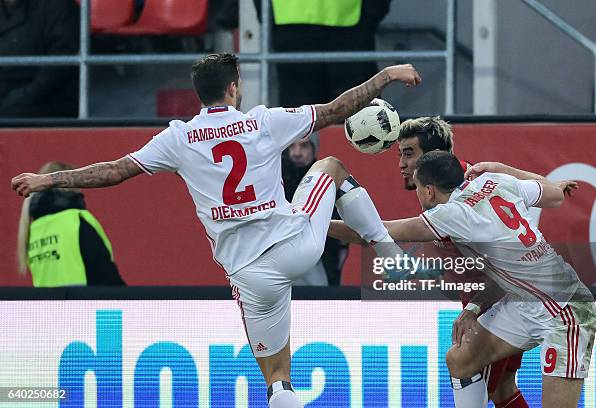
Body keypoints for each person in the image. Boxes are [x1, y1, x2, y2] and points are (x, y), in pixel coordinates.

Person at [11, 53, 421, 407]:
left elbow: (115, 172)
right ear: (234, 87)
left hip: (249, 276)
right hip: (295, 245)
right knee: (330, 166)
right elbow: (336, 109)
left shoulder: (180, 137)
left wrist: (48, 181)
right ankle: (391, 256)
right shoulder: (263, 122)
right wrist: (386, 76)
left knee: (277, 378)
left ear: (199, 94)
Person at [330, 151, 594, 408]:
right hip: (523, 303)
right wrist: (500, 167)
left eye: (418, 187)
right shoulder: (495, 181)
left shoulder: (451, 215)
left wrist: (318, 224)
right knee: (460, 359)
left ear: (429, 191)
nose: (418, 193)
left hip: (565, 312)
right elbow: (555, 194)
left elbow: (377, 231)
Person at [397, 116, 528, 407]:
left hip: (496, 307)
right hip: (495, 302)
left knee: (476, 387)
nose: (401, 165)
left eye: (409, 154)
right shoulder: (453, 184)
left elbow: (505, 261)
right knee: (502, 390)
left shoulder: (464, 197)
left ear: (434, 156)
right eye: (400, 154)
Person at [254, 0, 391, 107]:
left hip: (290, 19)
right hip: (350, 19)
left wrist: (267, 16)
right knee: (359, 115)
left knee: (301, 121)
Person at [16, 162, 124, 287]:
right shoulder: (76, 220)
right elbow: (106, 276)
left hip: (47, 306)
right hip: (81, 304)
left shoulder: (35, 230)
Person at [282, 133, 348, 286]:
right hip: (281, 263)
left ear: (314, 149)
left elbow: (343, 233)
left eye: (304, 146)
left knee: (318, 306)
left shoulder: (327, 178)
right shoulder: (277, 178)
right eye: (292, 146)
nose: (296, 153)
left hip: (319, 263)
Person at [0, 0, 79, 117]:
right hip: (8, 93)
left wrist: (26, 94)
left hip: (49, 99)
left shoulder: (59, 6)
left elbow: (61, 60)